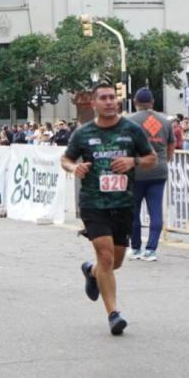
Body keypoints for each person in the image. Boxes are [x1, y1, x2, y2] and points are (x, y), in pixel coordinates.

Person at [61, 82, 156, 336]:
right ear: (93, 103)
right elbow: (66, 159)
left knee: (115, 262)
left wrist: (133, 161)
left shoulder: (132, 130)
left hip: (123, 203)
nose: (109, 102)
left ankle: (91, 272)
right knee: (105, 257)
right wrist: (74, 168)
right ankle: (114, 314)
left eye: (112, 97)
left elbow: (152, 159)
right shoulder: (83, 133)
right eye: (103, 98)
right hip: (93, 204)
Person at [127, 88, 175, 261]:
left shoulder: (129, 121)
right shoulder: (165, 121)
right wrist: (163, 161)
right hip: (158, 171)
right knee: (155, 210)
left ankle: (135, 248)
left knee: (133, 211)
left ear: (135, 102)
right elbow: (171, 146)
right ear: (152, 102)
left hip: (136, 171)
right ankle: (151, 250)